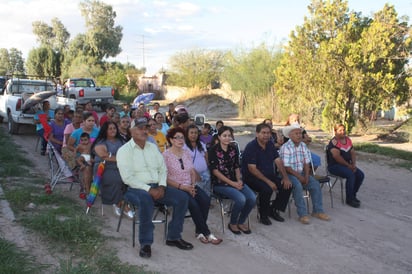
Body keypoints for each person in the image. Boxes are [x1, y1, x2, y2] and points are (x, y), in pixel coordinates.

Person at [117, 117, 193, 258]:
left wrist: (162, 187)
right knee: (146, 199)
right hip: (135, 189)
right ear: (131, 131)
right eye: (140, 128)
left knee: (182, 197)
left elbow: (162, 170)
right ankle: (146, 243)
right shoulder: (124, 151)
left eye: (146, 128)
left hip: (158, 187)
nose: (144, 131)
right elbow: (127, 178)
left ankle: (173, 237)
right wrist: (149, 190)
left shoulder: (152, 148)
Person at [163, 127, 222, 245]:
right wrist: (182, 187)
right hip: (176, 187)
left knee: (205, 200)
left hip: (190, 185)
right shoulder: (165, 155)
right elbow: (165, 178)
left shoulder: (186, 153)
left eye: (182, 137)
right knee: (194, 205)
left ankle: (199, 231)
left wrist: (193, 185)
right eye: (177, 138)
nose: (180, 140)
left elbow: (191, 171)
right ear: (171, 140)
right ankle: (207, 233)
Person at [242, 123, 292, 226]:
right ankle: (263, 215)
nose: (266, 135)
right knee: (267, 189)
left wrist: (285, 177)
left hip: (268, 175)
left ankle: (273, 209)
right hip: (252, 177)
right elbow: (252, 169)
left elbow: (278, 161)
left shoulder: (270, 144)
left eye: (268, 133)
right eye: (263, 133)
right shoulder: (251, 147)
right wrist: (269, 182)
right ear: (257, 134)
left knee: (287, 185)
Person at [208, 126, 256, 235]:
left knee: (252, 198)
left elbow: (236, 167)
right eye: (224, 135)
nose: (227, 138)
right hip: (220, 184)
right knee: (241, 199)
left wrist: (239, 180)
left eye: (229, 136)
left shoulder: (233, 149)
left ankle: (241, 221)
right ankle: (233, 223)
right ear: (219, 137)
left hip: (235, 181)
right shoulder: (213, 150)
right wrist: (233, 184)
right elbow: (215, 172)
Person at [279, 124, 330, 224]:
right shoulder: (286, 147)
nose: (299, 135)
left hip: (301, 172)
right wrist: (300, 177)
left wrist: (306, 176)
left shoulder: (303, 145)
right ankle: (302, 214)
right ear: (289, 135)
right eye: (296, 133)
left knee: (315, 184)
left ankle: (318, 211)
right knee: (297, 186)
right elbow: (286, 167)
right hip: (288, 174)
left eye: (300, 133)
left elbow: (306, 162)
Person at [91, 121, 133, 218]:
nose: (113, 130)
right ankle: (122, 204)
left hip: (120, 166)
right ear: (105, 130)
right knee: (116, 179)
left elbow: (129, 153)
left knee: (130, 178)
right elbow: (104, 156)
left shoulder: (121, 141)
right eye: (110, 128)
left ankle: (119, 202)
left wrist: (116, 157)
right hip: (104, 167)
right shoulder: (101, 142)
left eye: (114, 128)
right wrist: (121, 159)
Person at [327, 123, 365, 208]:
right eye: (340, 130)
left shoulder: (348, 140)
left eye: (343, 130)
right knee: (351, 175)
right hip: (335, 166)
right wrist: (349, 166)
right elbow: (337, 157)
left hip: (348, 165)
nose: (342, 132)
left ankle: (353, 195)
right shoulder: (334, 142)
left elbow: (352, 153)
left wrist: (353, 165)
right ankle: (349, 199)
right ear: (335, 131)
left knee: (360, 175)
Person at [67, 112, 99, 199]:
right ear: (84, 121)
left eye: (93, 121)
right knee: (87, 168)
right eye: (89, 120)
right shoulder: (77, 132)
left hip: (95, 156)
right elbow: (69, 145)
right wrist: (79, 150)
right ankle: (87, 190)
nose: (91, 122)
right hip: (81, 157)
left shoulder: (98, 132)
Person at [186, 124, 211, 197]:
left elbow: (206, 156)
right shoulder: (184, 146)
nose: (194, 135)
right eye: (191, 133)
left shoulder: (201, 144)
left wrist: (207, 169)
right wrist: (195, 173)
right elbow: (186, 162)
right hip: (193, 174)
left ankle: (207, 204)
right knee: (198, 193)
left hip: (205, 173)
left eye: (195, 133)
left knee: (207, 191)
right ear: (187, 134)